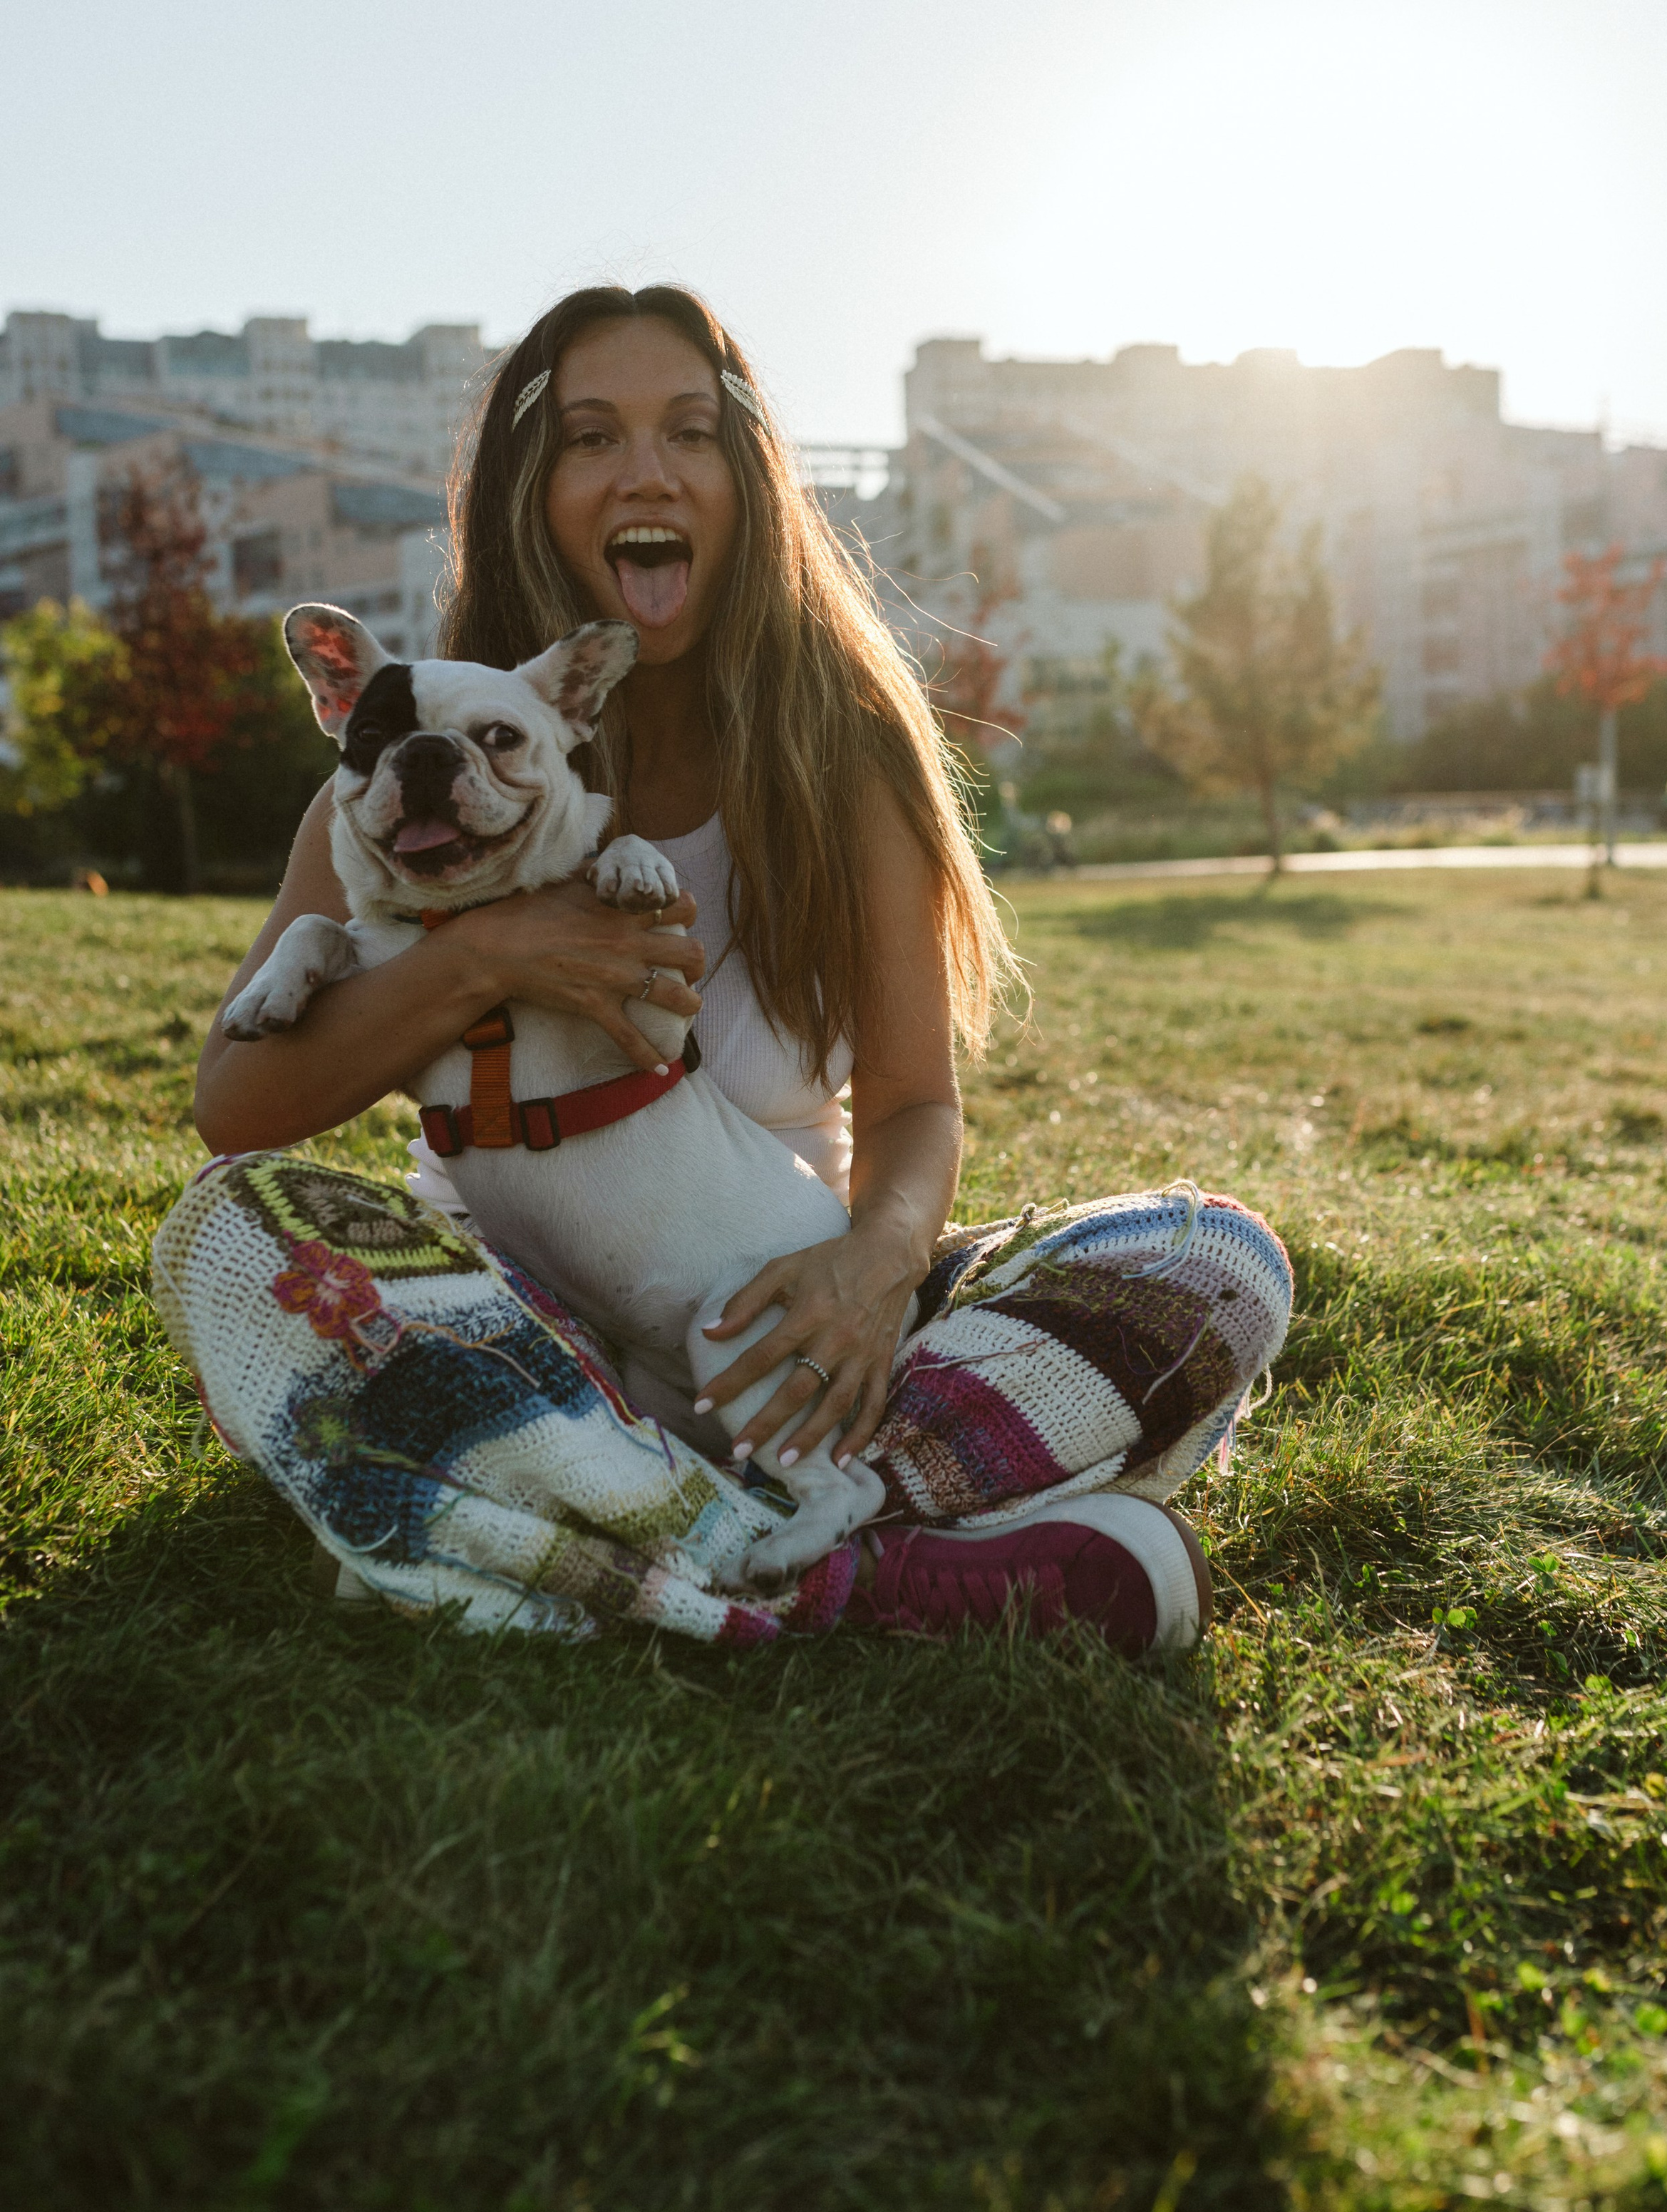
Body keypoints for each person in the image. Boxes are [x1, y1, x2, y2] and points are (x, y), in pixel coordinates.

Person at [174, 284, 1291, 1655]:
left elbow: (912, 1109)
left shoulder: (843, 751)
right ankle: (860, 1572)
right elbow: (236, 1110)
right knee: (228, 1234)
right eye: (593, 439)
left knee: (1212, 1260)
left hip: (794, 1318)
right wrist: (497, 950)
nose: (647, 471)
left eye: (688, 433)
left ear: (746, 479)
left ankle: (579, 1535)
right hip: (522, 1325)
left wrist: (875, 1272)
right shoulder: (402, 775)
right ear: (534, 487)